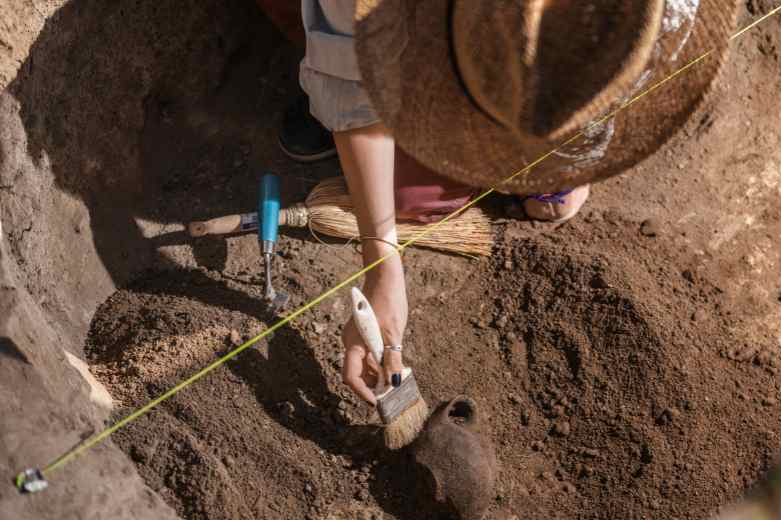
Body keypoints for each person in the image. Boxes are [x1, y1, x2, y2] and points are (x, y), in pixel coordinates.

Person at [279, 0, 737, 404]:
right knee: (409, 194)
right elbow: (351, 89)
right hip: (391, 26)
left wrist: (561, 166)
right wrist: (383, 264)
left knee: (548, 190)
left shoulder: (659, 14)